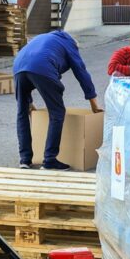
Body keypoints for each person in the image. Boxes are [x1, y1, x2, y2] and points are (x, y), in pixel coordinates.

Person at [13, 30, 102, 170]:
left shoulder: (43, 37)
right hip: (42, 67)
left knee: (22, 113)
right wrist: (94, 103)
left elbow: (30, 63)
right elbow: (81, 72)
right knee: (57, 112)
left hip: (18, 67)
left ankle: (25, 160)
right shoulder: (69, 44)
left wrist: (29, 101)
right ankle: (50, 160)